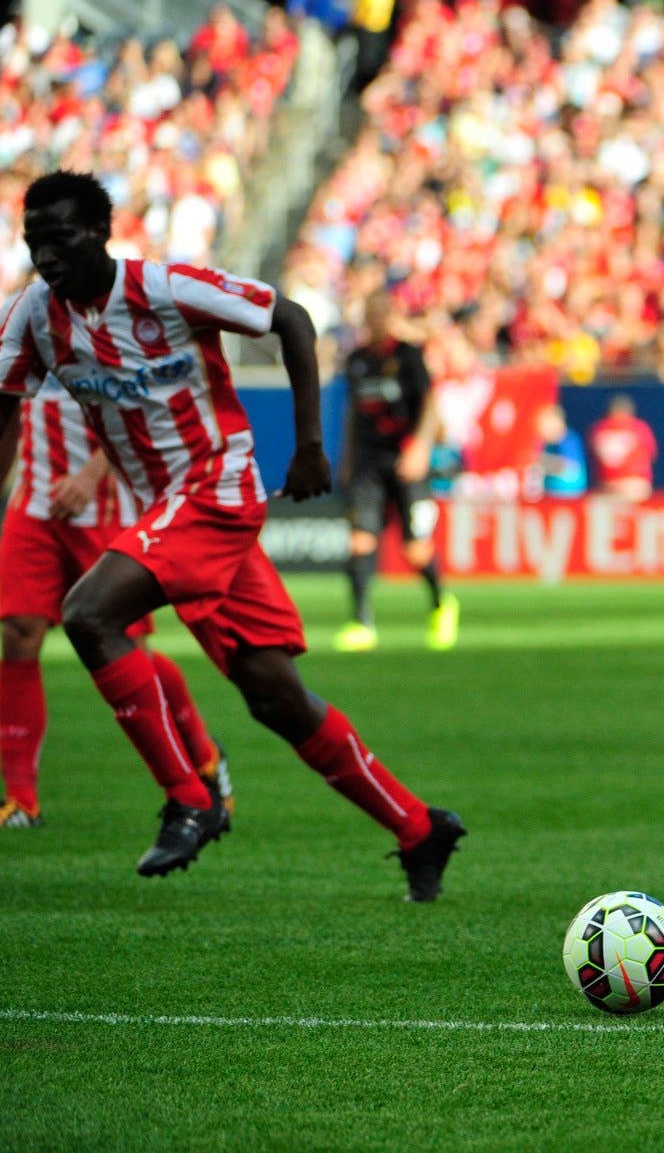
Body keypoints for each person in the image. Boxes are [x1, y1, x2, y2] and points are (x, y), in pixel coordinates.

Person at [0, 171, 466, 896]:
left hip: (217, 491)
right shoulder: (33, 313)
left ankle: (190, 798)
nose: (46, 256)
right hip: (169, 512)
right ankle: (417, 826)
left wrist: (309, 445)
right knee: (275, 695)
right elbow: (4, 406)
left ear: (99, 232)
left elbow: (293, 319)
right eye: (34, 241)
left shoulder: (165, 288)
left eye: (58, 238)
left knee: (89, 615)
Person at [1, 385, 229, 828]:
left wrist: (90, 475)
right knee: (16, 633)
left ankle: (203, 757)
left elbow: (137, 410)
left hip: (107, 505)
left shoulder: (104, 320)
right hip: (34, 503)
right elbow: (9, 411)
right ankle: (22, 800)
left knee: (127, 650)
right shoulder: (19, 319)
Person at [335, 293, 456, 654]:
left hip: (406, 462)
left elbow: (431, 405)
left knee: (416, 549)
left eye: (380, 315)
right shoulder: (357, 361)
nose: (374, 322)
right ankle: (361, 622)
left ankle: (441, 604)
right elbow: (354, 413)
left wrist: (420, 447)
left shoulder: (407, 356)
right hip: (368, 463)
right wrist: (346, 459)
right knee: (360, 541)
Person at [589, 394, 656, 502]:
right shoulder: (639, 427)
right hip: (634, 485)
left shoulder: (599, 428)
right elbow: (651, 454)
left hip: (607, 486)